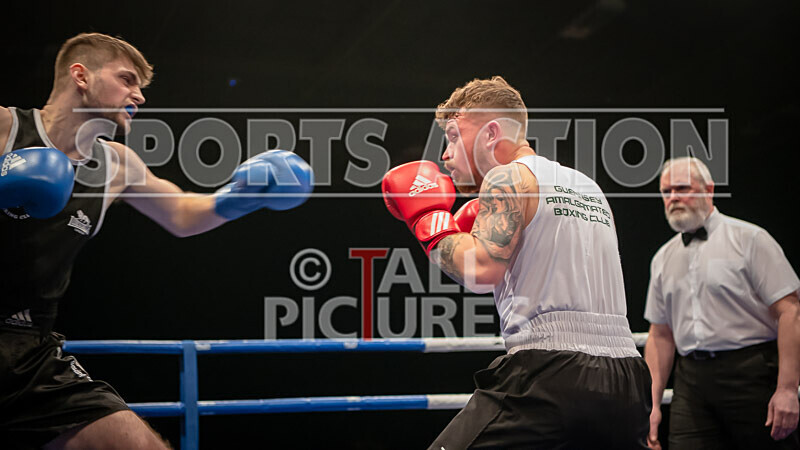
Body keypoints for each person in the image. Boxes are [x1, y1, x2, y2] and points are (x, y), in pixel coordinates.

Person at [0, 33, 313, 449]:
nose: (139, 96)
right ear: (81, 76)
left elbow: (182, 213)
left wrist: (245, 196)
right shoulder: (6, 128)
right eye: (126, 79)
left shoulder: (117, 165)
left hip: (30, 351)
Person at [382, 76, 651, 449]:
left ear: (492, 133)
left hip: (549, 374)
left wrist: (428, 219)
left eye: (454, 137)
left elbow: (481, 270)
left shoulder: (506, 177)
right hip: (627, 379)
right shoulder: (588, 186)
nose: (445, 154)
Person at [644, 157, 800, 449]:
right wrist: (651, 406)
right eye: (666, 191)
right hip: (690, 381)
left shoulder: (751, 239)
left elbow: (790, 311)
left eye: (682, 188)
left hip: (751, 372)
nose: (673, 197)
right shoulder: (663, 258)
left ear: (709, 189)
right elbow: (660, 334)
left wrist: (788, 389)